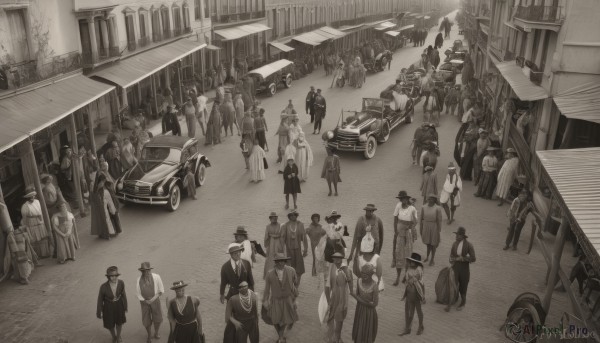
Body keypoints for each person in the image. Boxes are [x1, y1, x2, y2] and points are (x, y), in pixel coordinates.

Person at [262, 253, 299, 343]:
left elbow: (295, 283)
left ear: (285, 261)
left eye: (282, 261)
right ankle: (281, 336)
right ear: (276, 262)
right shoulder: (270, 274)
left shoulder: (291, 270)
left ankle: (281, 337)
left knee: (286, 318)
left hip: (288, 299)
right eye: (278, 261)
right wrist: (265, 300)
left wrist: (295, 297)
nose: (281, 263)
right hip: (275, 300)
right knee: (275, 319)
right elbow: (267, 289)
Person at [325, 251, 353, 343]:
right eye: (335, 258)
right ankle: (335, 337)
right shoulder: (331, 267)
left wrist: (351, 292)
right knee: (331, 316)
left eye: (339, 258)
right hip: (333, 296)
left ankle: (337, 338)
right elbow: (327, 285)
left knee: (339, 318)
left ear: (342, 259)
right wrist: (328, 300)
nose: (337, 260)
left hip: (342, 298)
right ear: (333, 258)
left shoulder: (345, 269)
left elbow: (350, 281)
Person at [392, 191, 418, 287]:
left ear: (407, 199)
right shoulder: (398, 206)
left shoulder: (412, 209)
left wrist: (409, 227)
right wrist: (395, 231)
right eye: (401, 198)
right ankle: (398, 277)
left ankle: (406, 275)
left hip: (408, 235)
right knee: (398, 254)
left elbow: (415, 222)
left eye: (404, 198)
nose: (402, 200)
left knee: (407, 255)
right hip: (399, 234)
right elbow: (395, 219)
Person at [447, 227, 476, 311]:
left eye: (458, 235)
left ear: (463, 236)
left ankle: (463, 302)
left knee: (463, 286)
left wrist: (463, 258)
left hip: (464, 268)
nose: (456, 237)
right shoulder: (454, 244)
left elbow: (473, 258)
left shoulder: (469, 245)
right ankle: (449, 303)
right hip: (455, 267)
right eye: (456, 235)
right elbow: (452, 255)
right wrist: (451, 259)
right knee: (453, 284)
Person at [97, 266, 128, 343]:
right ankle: (113, 336)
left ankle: (118, 336)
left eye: (115, 275)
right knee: (110, 324)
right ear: (108, 277)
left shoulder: (121, 283)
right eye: (112, 276)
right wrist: (99, 311)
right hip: (108, 307)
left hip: (119, 305)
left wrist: (125, 306)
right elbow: (100, 300)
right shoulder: (103, 287)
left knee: (119, 323)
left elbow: (123, 295)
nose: (114, 277)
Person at [136, 262, 164, 343]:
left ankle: (156, 332)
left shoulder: (157, 277)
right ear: (142, 271)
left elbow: (161, 290)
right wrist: (145, 301)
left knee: (158, 319)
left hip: (155, 300)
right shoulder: (138, 279)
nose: (146, 273)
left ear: (150, 270)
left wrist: (152, 299)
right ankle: (149, 335)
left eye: (148, 270)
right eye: (144, 271)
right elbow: (138, 293)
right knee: (146, 320)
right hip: (144, 302)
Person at [399, 253, 425, 336]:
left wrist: (410, 280)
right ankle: (408, 328)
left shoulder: (419, 269)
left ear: (417, 263)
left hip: (417, 294)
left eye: (413, 261)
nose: (411, 262)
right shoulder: (409, 268)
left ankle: (420, 326)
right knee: (409, 311)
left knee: (418, 311)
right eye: (410, 261)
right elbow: (405, 279)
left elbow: (417, 277)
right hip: (409, 294)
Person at [351, 264, 379, 343]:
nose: (363, 277)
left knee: (366, 330)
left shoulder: (374, 286)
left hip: (369, 313)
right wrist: (361, 300)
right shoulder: (359, 281)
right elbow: (357, 294)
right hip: (359, 310)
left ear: (371, 275)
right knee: (359, 328)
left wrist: (358, 299)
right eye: (362, 274)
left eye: (366, 275)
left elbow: (374, 304)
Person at [20, 186, 51, 258]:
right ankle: (38, 255)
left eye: (33, 195)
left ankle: (45, 253)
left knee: (43, 238)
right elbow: (25, 219)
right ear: (27, 197)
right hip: (32, 223)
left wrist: (42, 220)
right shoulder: (25, 206)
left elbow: (42, 212)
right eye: (30, 196)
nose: (32, 197)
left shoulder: (38, 202)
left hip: (40, 221)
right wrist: (27, 228)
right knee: (36, 239)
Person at [281, 210, 308, 287]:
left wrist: (305, 249)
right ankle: (291, 283)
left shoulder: (300, 224)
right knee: (289, 267)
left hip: (298, 249)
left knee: (299, 267)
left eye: (294, 215)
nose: (293, 217)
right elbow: (282, 238)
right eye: (291, 215)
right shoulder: (285, 225)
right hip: (289, 250)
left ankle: (297, 284)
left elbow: (304, 237)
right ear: (289, 217)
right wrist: (281, 250)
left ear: (296, 216)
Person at [90, 174, 119, 240]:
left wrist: (113, 210)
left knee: (106, 219)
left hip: (103, 208)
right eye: (102, 182)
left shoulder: (103, 190)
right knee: (104, 219)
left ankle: (108, 232)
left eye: (103, 182)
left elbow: (110, 202)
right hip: (100, 209)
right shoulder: (97, 190)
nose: (102, 183)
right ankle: (106, 233)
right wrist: (113, 210)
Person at [420, 195, 443, 266]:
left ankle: (432, 259)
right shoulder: (423, 207)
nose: (430, 200)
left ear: (434, 200)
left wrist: (439, 230)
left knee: (433, 244)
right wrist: (421, 228)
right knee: (428, 243)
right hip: (426, 226)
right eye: (429, 199)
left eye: (432, 199)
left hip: (434, 227)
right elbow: (421, 219)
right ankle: (427, 256)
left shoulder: (437, 208)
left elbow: (439, 220)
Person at [264, 212, 285, 279]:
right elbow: (266, 237)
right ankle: (270, 274)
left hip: (278, 243)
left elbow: (282, 235)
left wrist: (282, 246)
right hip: (271, 244)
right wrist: (267, 246)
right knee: (270, 259)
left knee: (279, 257)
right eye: (273, 218)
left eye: (275, 218)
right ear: (270, 219)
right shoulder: (268, 226)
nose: (274, 219)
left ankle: (279, 274)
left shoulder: (280, 225)